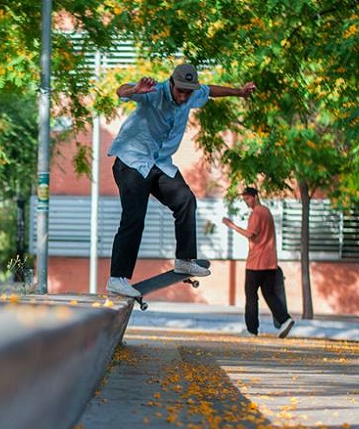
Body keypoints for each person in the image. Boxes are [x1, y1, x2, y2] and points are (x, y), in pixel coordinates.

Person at [106, 63, 257, 298]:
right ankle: (118, 278)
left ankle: (184, 260)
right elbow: (121, 91)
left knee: (185, 200)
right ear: (171, 83)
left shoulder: (191, 94)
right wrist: (134, 89)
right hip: (132, 161)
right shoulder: (153, 92)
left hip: (159, 164)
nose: (184, 97)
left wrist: (239, 92)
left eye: (188, 93)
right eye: (180, 92)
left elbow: (211, 90)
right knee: (134, 217)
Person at [222, 187, 295, 338]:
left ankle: (251, 330)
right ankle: (285, 319)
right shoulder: (267, 211)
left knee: (251, 295)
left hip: (256, 262)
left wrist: (232, 226)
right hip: (270, 262)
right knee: (269, 293)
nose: (246, 202)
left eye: (248, 199)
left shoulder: (257, 212)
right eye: (244, 200)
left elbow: (250, 234)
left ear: (255, 197)